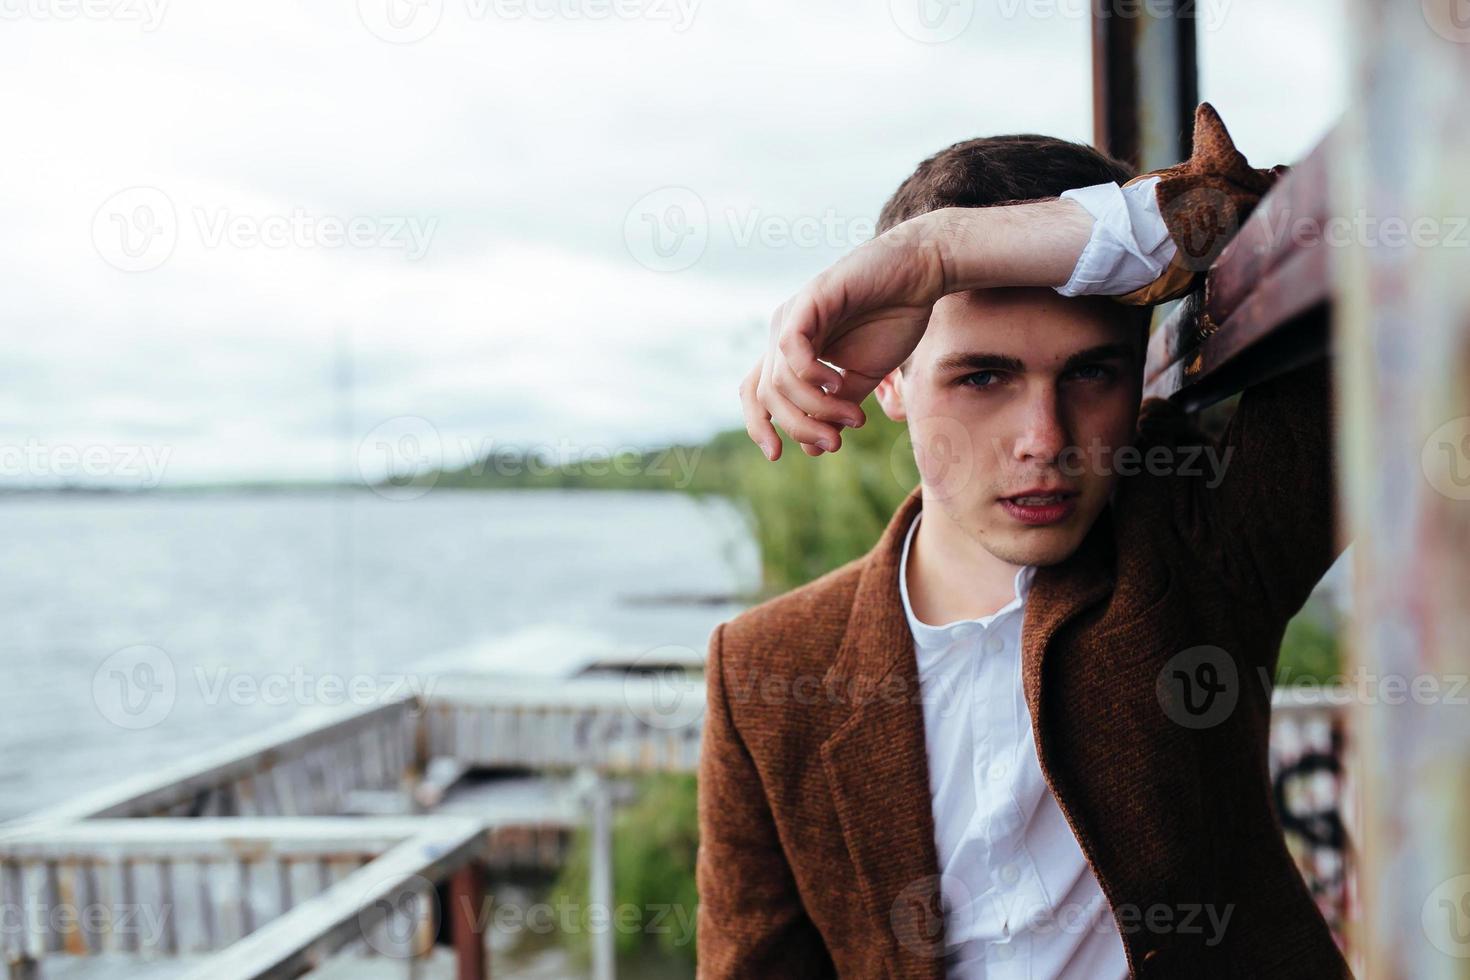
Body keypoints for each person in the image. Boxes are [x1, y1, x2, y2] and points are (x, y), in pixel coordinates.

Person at [696, 103, 1352, 979]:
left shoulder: (1195, 537)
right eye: (983, 376)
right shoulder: (765, 670)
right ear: (890, 378)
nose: (1044, 438)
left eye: (1091, 373)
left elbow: (1382, 219)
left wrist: (940, 254)